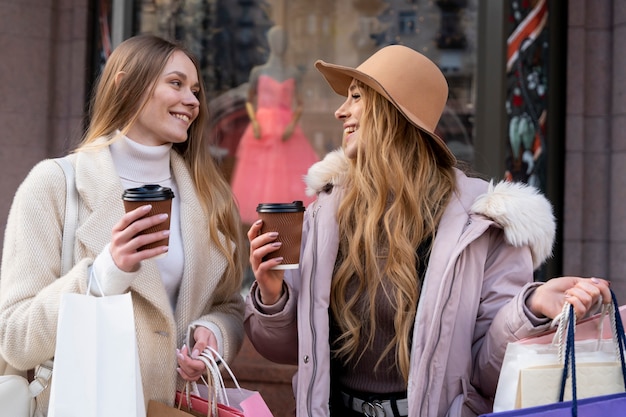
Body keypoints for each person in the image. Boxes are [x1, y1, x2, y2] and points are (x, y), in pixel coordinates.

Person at [243, 45, 611, 417]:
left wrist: (530, 308)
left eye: (356, 97)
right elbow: (291, 351)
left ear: (394, 111)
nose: (341, 111)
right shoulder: (325, 213)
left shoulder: (481, 225)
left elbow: (488, 371)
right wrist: (273, 296)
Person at [0, 34, 245, 414]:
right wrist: (102, 276)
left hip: (176, 408)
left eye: (196, 90)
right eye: (176, 83)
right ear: (125, 84)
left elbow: (229, 305)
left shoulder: (211, 197)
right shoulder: (54, 185)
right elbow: (14, 336)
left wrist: (213, 333)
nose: (193, 101)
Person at [230, 25, 319, 225]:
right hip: (262, 126)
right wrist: (254, 121)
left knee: (285, 172)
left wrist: (292, 124)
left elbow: (301, 104)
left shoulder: (293, 73)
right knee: (261, 171)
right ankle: (261, 219)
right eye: (276, 40)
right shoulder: (258, 72)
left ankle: (283, 218)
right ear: (270, 42)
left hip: (286, 126)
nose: (279, 44)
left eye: (283, 40)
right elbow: (249, 99)